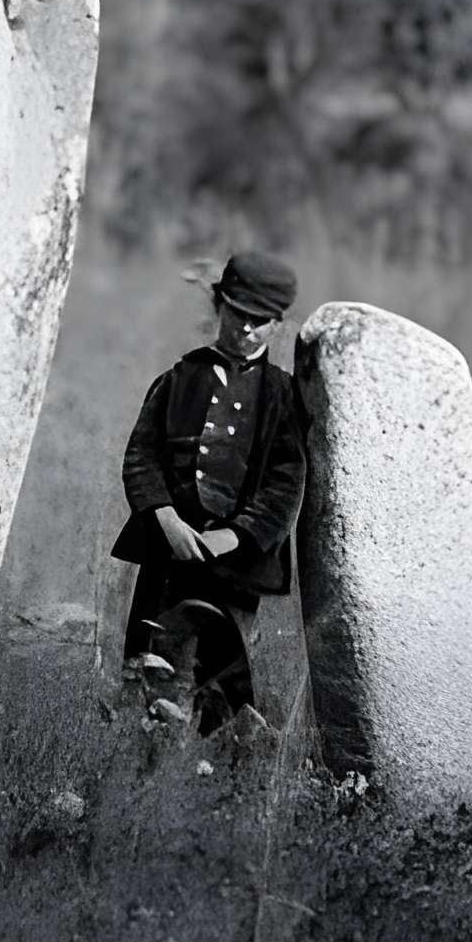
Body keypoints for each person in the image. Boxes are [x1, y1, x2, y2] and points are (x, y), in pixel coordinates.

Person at [110, 250, 307, 734]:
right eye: (238, 314)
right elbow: (140, 458)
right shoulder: (178, 379)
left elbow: (285, 483)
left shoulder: (284, 396)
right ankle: (145, 757)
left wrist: (235, 536)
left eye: (260, 321)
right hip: (168, 550)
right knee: (150, 668)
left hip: (235, 563)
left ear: (278, 325)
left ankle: (224, 762)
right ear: (221, 306)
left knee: (224, 684)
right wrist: (167, 519)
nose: (247, 330)